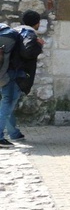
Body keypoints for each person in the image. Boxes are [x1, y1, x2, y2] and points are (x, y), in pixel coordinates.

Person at [0, 11, 44, 147]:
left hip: (7, 72)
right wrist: (39, 45)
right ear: (37, 23)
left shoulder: (16, 30)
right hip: (16, 75)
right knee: (8, 103)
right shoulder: (29, 33)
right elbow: (28, 51)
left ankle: (14, 133)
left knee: (8, 103)